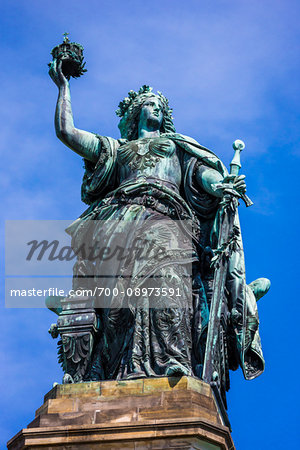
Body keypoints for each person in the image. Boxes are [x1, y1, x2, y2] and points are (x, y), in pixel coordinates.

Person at [49, 60, 269, 403]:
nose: (156, 107)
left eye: (160, 104)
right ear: (136, 113)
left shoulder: (178, 146)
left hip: (167, 220)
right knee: (118, 305)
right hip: (119, 222)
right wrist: (63, 87)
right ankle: (111, 373)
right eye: (149, 102)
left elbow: (201, 176)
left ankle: (173, 362)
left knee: (170, 286)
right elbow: (67, 133)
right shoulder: (117, 149)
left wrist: (220, 184)